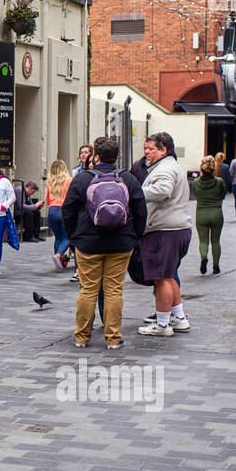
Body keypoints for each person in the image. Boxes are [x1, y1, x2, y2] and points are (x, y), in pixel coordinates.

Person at [62, 136, 147, 349]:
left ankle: (82, 337)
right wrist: (134, 235)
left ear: (96, 157)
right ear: (115, 157)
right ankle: (113, 338)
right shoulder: (128, 179)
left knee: (88, 289)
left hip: (88, 244)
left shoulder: (82, 179)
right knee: (114, 290)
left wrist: (74, 237)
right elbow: (140, 209)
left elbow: (68, 209)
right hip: (120, 244)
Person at [136, 133, 194, 338]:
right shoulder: (171, 166)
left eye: (150, 148)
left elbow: (162, 191)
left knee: (160, 279)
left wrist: (135, 193)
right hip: (176, 228)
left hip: (164, 231)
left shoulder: (165, 168)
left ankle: (162, 324)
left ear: (163, 150)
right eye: (145, 148)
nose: (146, 152)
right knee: (169, 276)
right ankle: (179, 318)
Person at [193, 155, 227, 275]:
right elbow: (222, 194)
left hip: (201, 213)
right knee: (216, 241)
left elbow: (196, 195)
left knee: (203, 241)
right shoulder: (219, 182)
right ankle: (216, 266)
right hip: (216, 213)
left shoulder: (196, 183)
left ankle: (203, 257)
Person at [46, 159, 72, 269]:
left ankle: (59, 261)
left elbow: (48, 200)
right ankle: (58, 256)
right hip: (64, 210)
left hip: (52, 210)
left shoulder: (49, 181)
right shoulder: (69, 180)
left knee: (58, 237)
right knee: (67, 238)